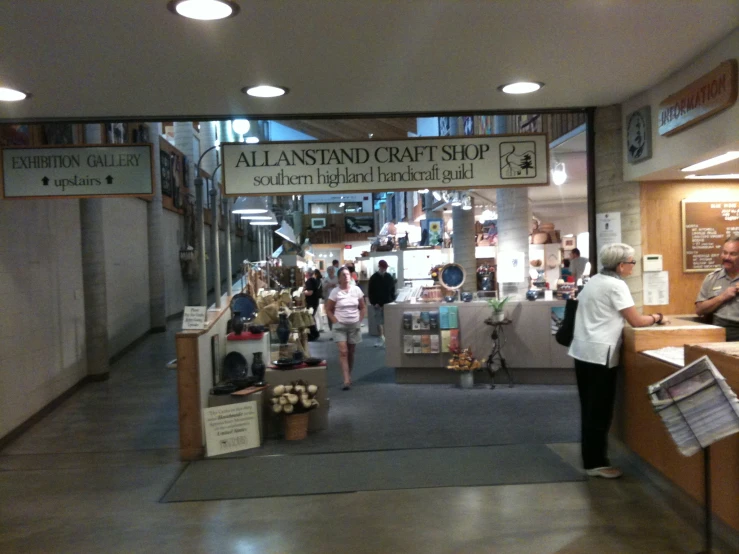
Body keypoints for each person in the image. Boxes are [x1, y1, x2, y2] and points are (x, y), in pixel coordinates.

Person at [568, 243, 668, 479]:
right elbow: (636, 321)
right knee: (600, 411)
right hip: (601, 355)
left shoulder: (594, 280)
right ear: (621, 265)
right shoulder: (616, 286)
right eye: (632, 262)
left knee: (589, 409)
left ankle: (591, 459)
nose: (633, 266)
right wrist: (657, 317)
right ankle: (596, 463)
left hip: (582, 352)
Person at [325, 266, 366, 390]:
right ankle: (346, 379)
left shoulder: (356, 290)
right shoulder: (335, 292)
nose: (346, 277)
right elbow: (328, 309)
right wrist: (335, 321)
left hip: (354, 325)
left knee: (351, 352)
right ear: (339, 278)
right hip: (340, 326)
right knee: (343, 352)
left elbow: (363, 307)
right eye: (343, 275)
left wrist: (359, 320)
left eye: (348, 274)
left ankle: (349, 374)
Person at [696, 236, 739, 341]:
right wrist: (723, 297)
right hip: (718, 331)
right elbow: (699, 310)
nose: (726, 257)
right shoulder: (712, 278)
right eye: (724, 253)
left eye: (732, 254)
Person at [368, 259, 396, 347]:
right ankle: (381, 338)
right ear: (379, 267)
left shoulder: (389, 277)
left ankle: (388, 339)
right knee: (379, 322)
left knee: (387, 321)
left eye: (385, 267)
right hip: (377, 304)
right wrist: (374, 302)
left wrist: (392, 300)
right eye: (383, 267)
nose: (385, 269)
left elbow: (392, 290)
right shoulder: (373, 278)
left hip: (388, 303)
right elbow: (370, 292)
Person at [304, 269, 323, 341]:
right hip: (315, 301)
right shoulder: (314, 280)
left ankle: (313, 334)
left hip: (311, 302)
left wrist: (302, 293)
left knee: (310, 318)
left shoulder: (309, 281)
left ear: (307, 274)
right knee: (311, 317)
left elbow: (310, 292)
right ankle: (315, 333)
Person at [322, 266, 339, 331]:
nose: (331, 272)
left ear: (334, 271)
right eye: (329, 270)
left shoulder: (337, 278)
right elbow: (323, 288)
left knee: (337, 314)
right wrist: (327, 285)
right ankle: (331, 329)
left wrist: (335, 285)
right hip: (328, 299)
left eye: (332, 270)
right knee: (329, 314)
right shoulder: (325, 279)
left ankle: (337, 329)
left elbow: (339, 286)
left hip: (337, 299)